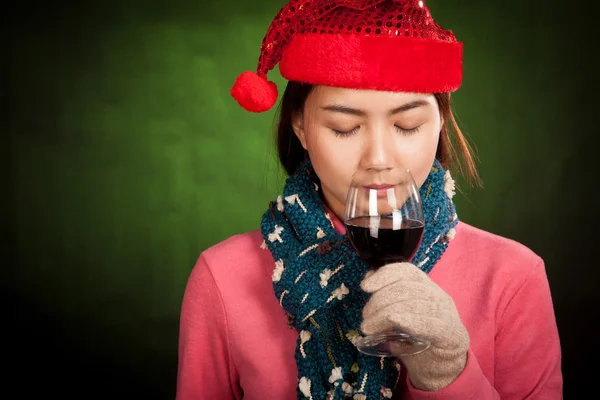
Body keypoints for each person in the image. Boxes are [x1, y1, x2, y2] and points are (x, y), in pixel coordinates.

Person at [175, 0, 563, 399]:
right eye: (345, 128)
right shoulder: (221, 277)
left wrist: (449, 375)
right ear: (301, 128)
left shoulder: (514, 276)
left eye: (407, 125)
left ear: (440, 123)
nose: (379, 159)